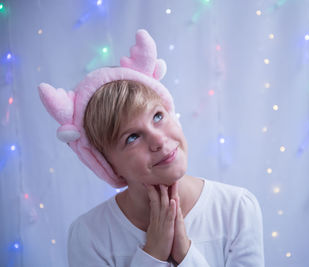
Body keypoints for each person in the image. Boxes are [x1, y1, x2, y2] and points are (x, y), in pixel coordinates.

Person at [38, 29, 264, 266]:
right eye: (132, 137)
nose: (158, 140)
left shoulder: (236, 209)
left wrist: (185, 253)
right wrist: (152, 254)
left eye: (157, 116)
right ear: (107, 165)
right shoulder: (90, 236)